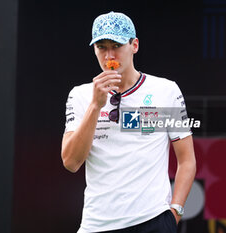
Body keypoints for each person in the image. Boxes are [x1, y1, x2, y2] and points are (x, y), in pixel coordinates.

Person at [61, 11, 196, 233]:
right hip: (96, 225)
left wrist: (175, 214)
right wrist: (96, 105)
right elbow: (71, 162)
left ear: (134, 45)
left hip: (153, 221)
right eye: (101, 47)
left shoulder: (166, 90)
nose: (109, 55)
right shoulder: (81, 95)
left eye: (116, 45)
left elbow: (187, 160)